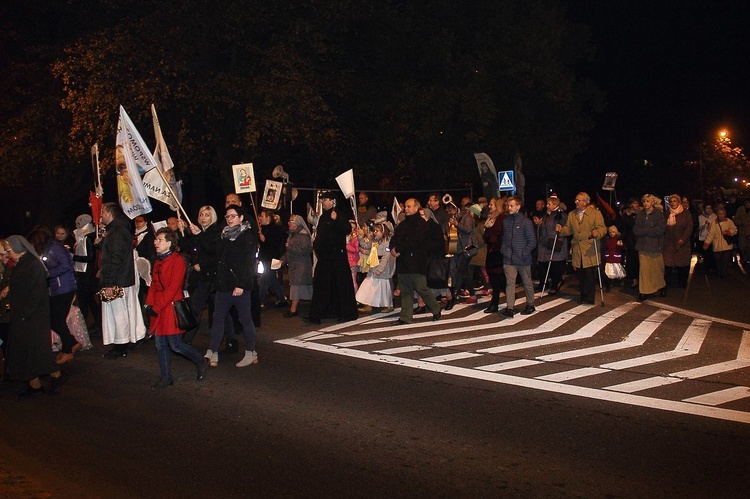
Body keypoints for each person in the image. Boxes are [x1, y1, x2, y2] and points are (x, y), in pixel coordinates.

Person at [145, 228, 208, 388]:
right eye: (156, 239)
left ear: (169, 243)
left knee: (175, 345)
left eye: (159, 239)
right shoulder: (158, 260)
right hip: (160, 307)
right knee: (160, 344)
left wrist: (156, 307)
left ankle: (201, 361)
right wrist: (148, 304)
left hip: (171, 307)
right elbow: (154, 285)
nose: (155, 242)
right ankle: (166, 377)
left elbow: (173, 289)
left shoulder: (177, 261)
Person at [4, 236, 62, 399]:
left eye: (9, 250)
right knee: (27, 353)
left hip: (33, 317)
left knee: (36, 352)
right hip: (24, 315)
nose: (8, 254)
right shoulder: (22, 263)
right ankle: (34, 384)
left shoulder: (33, 265)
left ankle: (55, 374)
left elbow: (36, 294)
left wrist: (24, 313)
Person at [205, 205, 259, 367]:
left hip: (239, 286)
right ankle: (212, 351)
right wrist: (199, 235)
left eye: (233, 216)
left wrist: (241, 284)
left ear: (241, 218)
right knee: (218, 318)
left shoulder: (247, 236)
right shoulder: (224, 235)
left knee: (244, 319)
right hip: (223, 284)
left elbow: (249, 263)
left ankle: (251, 352)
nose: (229, 219)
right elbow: (215, 254)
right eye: (227, 216)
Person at [98, 202, 146, 358]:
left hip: (118, 281)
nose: (100, 215)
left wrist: (110, 282)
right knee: (119, 313)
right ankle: (122, 343)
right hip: (119, 279)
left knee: (119, 314)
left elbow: (116, 258)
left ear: (109, 213)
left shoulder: (117, 232)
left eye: (102, 212)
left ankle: (121, 346)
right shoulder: (115, 231)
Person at [27, 226, 80, 365]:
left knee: (57, 319)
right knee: (52, 319)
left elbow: (66, 265)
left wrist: (47, 273)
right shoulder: (47, 248)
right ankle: (72, 342)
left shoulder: (55, 248)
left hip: (64, 288)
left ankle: (68, 350)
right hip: (56, 289)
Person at [304, 191, 358, 325]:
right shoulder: (323, 216)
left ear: (333, 201)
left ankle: (347, 313)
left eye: (325, 199)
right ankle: (317, 314)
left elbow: (346, 229)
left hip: (337, 257)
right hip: (325, 258)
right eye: (322, 200)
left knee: (341, 285)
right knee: (322, 285)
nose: (323, 202)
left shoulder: (338, 214)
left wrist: (337, 220)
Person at [390, 198, 442, 324]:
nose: (406, 209)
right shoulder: (402, 224)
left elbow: (415, 241)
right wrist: (391, 248)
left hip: (416, 262)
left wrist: (399, 249)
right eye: (405, 207)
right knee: (406, 291)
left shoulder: (420, 223)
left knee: (421, 288)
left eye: (409, 207)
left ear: (416, 208)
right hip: (403, 262)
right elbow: (394, 238)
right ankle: (405, 317)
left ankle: (436, 309)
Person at [556, 192, 606, 305]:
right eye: (576, 200)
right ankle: (583, 295)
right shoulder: (572, 214)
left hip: (590, 248)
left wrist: (597, 232)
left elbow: (603, 228)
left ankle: (589, 298)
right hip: (577, 248)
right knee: (581, 274)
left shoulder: (595, 213)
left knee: (589, 274)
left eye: (579, 200)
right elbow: (569, 229)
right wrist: (560, 230)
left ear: (586, 202)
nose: (576, 202)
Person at [183, 206, 221, 345]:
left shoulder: (216, 232)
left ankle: (185, 341)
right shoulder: (199, 233)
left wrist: (202, 265)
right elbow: (186, 246)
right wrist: (182, 231)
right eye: (201, 215)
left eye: (207, 215)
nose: (204, 218)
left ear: (213, 217)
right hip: (202, 279)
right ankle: (186, 340)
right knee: (198, 308)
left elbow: (213, 252)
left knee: (218, 310)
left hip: (212, 278)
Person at [500, 196, 536, 318]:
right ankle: (510, 308)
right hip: (509, 258)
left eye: (511, 205)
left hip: (522, 259)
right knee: (510, 283)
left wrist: (523, 253)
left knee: (527, 282)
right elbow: (504, 238)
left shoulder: (526, 222)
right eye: (508, 205)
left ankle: (530, 304)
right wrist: (504, 250)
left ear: (518, 206)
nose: (509, 208)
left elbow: (532, 241)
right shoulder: (506, 221)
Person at [356, 222, 396, 313]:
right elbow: (368, 247)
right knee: (368, 285)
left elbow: (386, 257)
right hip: (374, 265)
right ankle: (368, 303)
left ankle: (389, 305)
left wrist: (380, 269)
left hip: (382, 267)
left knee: (384, 288)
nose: (375, 232)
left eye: (377, 231)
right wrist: (361, 237)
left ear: (383, 231)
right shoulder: (375, 240)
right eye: (375, 230)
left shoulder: (387, 242)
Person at [633, 194, 667, 301]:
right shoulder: (640, 215)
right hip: (642, 246)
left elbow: (659, 230)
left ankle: (661, 286)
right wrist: (648, 231)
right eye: (644, 201)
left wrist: (645, 231)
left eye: (648, 201)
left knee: (656, 269)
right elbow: (636, 230)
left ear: (652, 202)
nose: (646, 203)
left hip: (655, 246)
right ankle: (644, 291)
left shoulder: (659, 215)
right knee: (644, 270)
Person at [279, 215, 314, 317]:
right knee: (300, 287)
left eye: (291, 221)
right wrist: (282, 260)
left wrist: (289, 246)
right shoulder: (293, 235)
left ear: (297, 224)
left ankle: (293, 309)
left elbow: (303, 251)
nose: (289, 223)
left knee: (296, 287)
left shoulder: (304, 236)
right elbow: (289, 252)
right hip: (295, 265)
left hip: (301, 265)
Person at [72, 214, 101, 335]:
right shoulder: (81, 237)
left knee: (86, 300)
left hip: (87, 274)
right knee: (88, 300)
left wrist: (74, 257)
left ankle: (87, 327)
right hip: (82, 273)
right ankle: (96, 324)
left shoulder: (88, 237)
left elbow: (90, 257)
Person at [536, 195, 568, 295]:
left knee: (555, 265)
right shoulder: (547, 215)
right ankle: (543, 283)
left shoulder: (560, 215)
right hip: (544, 242)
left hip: (555, 242)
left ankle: (556, 283)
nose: (547, 206)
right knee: (542, 264)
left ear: (555, 205)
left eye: (549, 204)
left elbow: (564, 226)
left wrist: (559, 231)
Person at [257, 210, 288, 307]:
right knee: (273, 279)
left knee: (265, 279)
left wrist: (265, 240)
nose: (260, 218)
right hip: (266, 258)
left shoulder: (275, 229)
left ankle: (258, 301)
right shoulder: (262, 229)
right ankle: (282, 300)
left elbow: (277, 244)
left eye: (262, 216)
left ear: (268, 218)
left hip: (274, 258)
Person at [482, 197, 507, 313]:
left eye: (491, 205)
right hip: (492, 251)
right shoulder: (490, 219)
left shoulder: (502, 218)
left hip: (499, 252)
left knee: (499, 278)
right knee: (494, 279)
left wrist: (490, 238)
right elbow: (486, 235)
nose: (489, 206)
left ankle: (502, 300)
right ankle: (494, 303)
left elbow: (498, 234)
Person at [663, 194, 693, 288]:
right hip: (669, 243)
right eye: (671, 201)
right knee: (668, 263)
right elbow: (663, 228)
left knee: (682, 264)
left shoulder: (686, 213)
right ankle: (667, 283)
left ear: (679, 202)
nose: (672, 203)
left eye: (675, 201)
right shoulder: (666, 214)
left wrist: (682, 240)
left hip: (683, 243)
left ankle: (682, 282)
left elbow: (689, 227)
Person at [703, 205, 738, 278]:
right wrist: (706, 244)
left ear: (724, 214)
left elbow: (734, 229)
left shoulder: (729, 221)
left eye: (722, 214)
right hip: (717, 245)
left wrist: (728, 232)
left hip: (726, 246)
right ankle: (720, 271)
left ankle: (723, 274)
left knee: (725, 261)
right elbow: (711, 234)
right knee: (718, 260)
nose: (721, 215)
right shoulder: (714, 223)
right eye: (719, 214)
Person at [621, 198, 641, 288]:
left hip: (641, 240)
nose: (636, 205)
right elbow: (625, 229)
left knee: (641, 261)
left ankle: (642, 279)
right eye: (634, 203)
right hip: (631, 241)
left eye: (637, 203)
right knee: (632, 261)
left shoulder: (642, 214)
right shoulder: (627, 215)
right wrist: (623, 239)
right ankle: (634, 279)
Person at [698, 204, 717, 273]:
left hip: (712, 237)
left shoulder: (715, 217)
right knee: (705, 253)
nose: (709, 210)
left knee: (711, 253)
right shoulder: (700, 217)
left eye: (710, 208)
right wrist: (703, 226)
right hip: (703, 237)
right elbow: (698, 227)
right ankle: (706, 267)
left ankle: (712, 267)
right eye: (707, 208)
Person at [733, 198, 750, 264]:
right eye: (747, 203)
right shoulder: (740, 209)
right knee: (742, 246)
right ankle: (745, 259)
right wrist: (741, 222)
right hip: (742, 231)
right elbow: (736, 219)